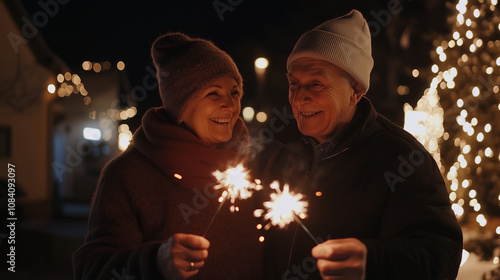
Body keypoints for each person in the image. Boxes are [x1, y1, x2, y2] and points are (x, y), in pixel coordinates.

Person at [253, 9, 463, 280]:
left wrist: (372, 262)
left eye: (316, 83)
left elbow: (439, 259)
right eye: (294, 83)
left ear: (356, 90)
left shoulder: (403, 159)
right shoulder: (277, 151)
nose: (299, 97)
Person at [73, 33, 263, 279]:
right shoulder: (128, 176)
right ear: (181, 104)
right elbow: (91, 271)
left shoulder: (253, 166)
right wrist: (155, 262)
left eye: (234, 92)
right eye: (213, 93)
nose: (229, 104)